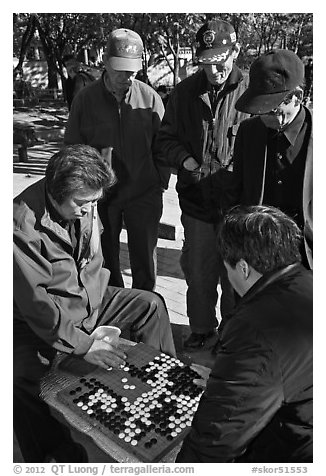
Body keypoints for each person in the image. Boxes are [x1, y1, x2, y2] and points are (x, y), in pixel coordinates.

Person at [13, 144, 176, 463]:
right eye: (82, 203)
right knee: (18, 376)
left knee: (149, 304)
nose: (89, 210)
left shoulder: (84, 201)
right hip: (35, 318)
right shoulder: (18, 227)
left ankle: (160, 391)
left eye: (95, 202)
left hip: (87, 300)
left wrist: (95, 320)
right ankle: (53, 455)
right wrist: (84, 344)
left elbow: (93, 264)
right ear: (56, 191)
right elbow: (37, 305)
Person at [176, 205, 312, 463]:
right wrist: (233, 375)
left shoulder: (254, 327)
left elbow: (216, 439)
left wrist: (234, 383)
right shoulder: (309, 280)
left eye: (226, 269)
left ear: (243, 268)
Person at [157, 19, 249, 349]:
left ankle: (231, 335)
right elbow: (164, 140)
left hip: (238, 210)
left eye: (220, 61)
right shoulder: (184, 92)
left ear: (235, 51)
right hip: (196, 204)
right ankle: (201, 327)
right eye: (206, 63)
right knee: (198, 272)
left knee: (236, 277)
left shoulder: (252, 92)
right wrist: (187, 162)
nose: (213, 71)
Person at [64, 29, 170, 292]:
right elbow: (73, 149)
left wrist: (160, 182)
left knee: (145, 259)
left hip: (144, 192)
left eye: (133, 70)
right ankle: (115, 306)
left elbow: (164, 144)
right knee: (105, 259)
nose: (128, 76)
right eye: (121, 69)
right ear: (106, 62)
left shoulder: (150, 98)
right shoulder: (85, 100)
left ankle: (146, 309)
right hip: (101, 196)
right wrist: (82, 192)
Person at [228, 49, 313, 269]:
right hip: (258, 251)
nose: (265, 118)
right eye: (260, 111)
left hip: (309, 255)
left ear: (297, 97)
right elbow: (237, 190)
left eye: (273, 110)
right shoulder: (248, 132)